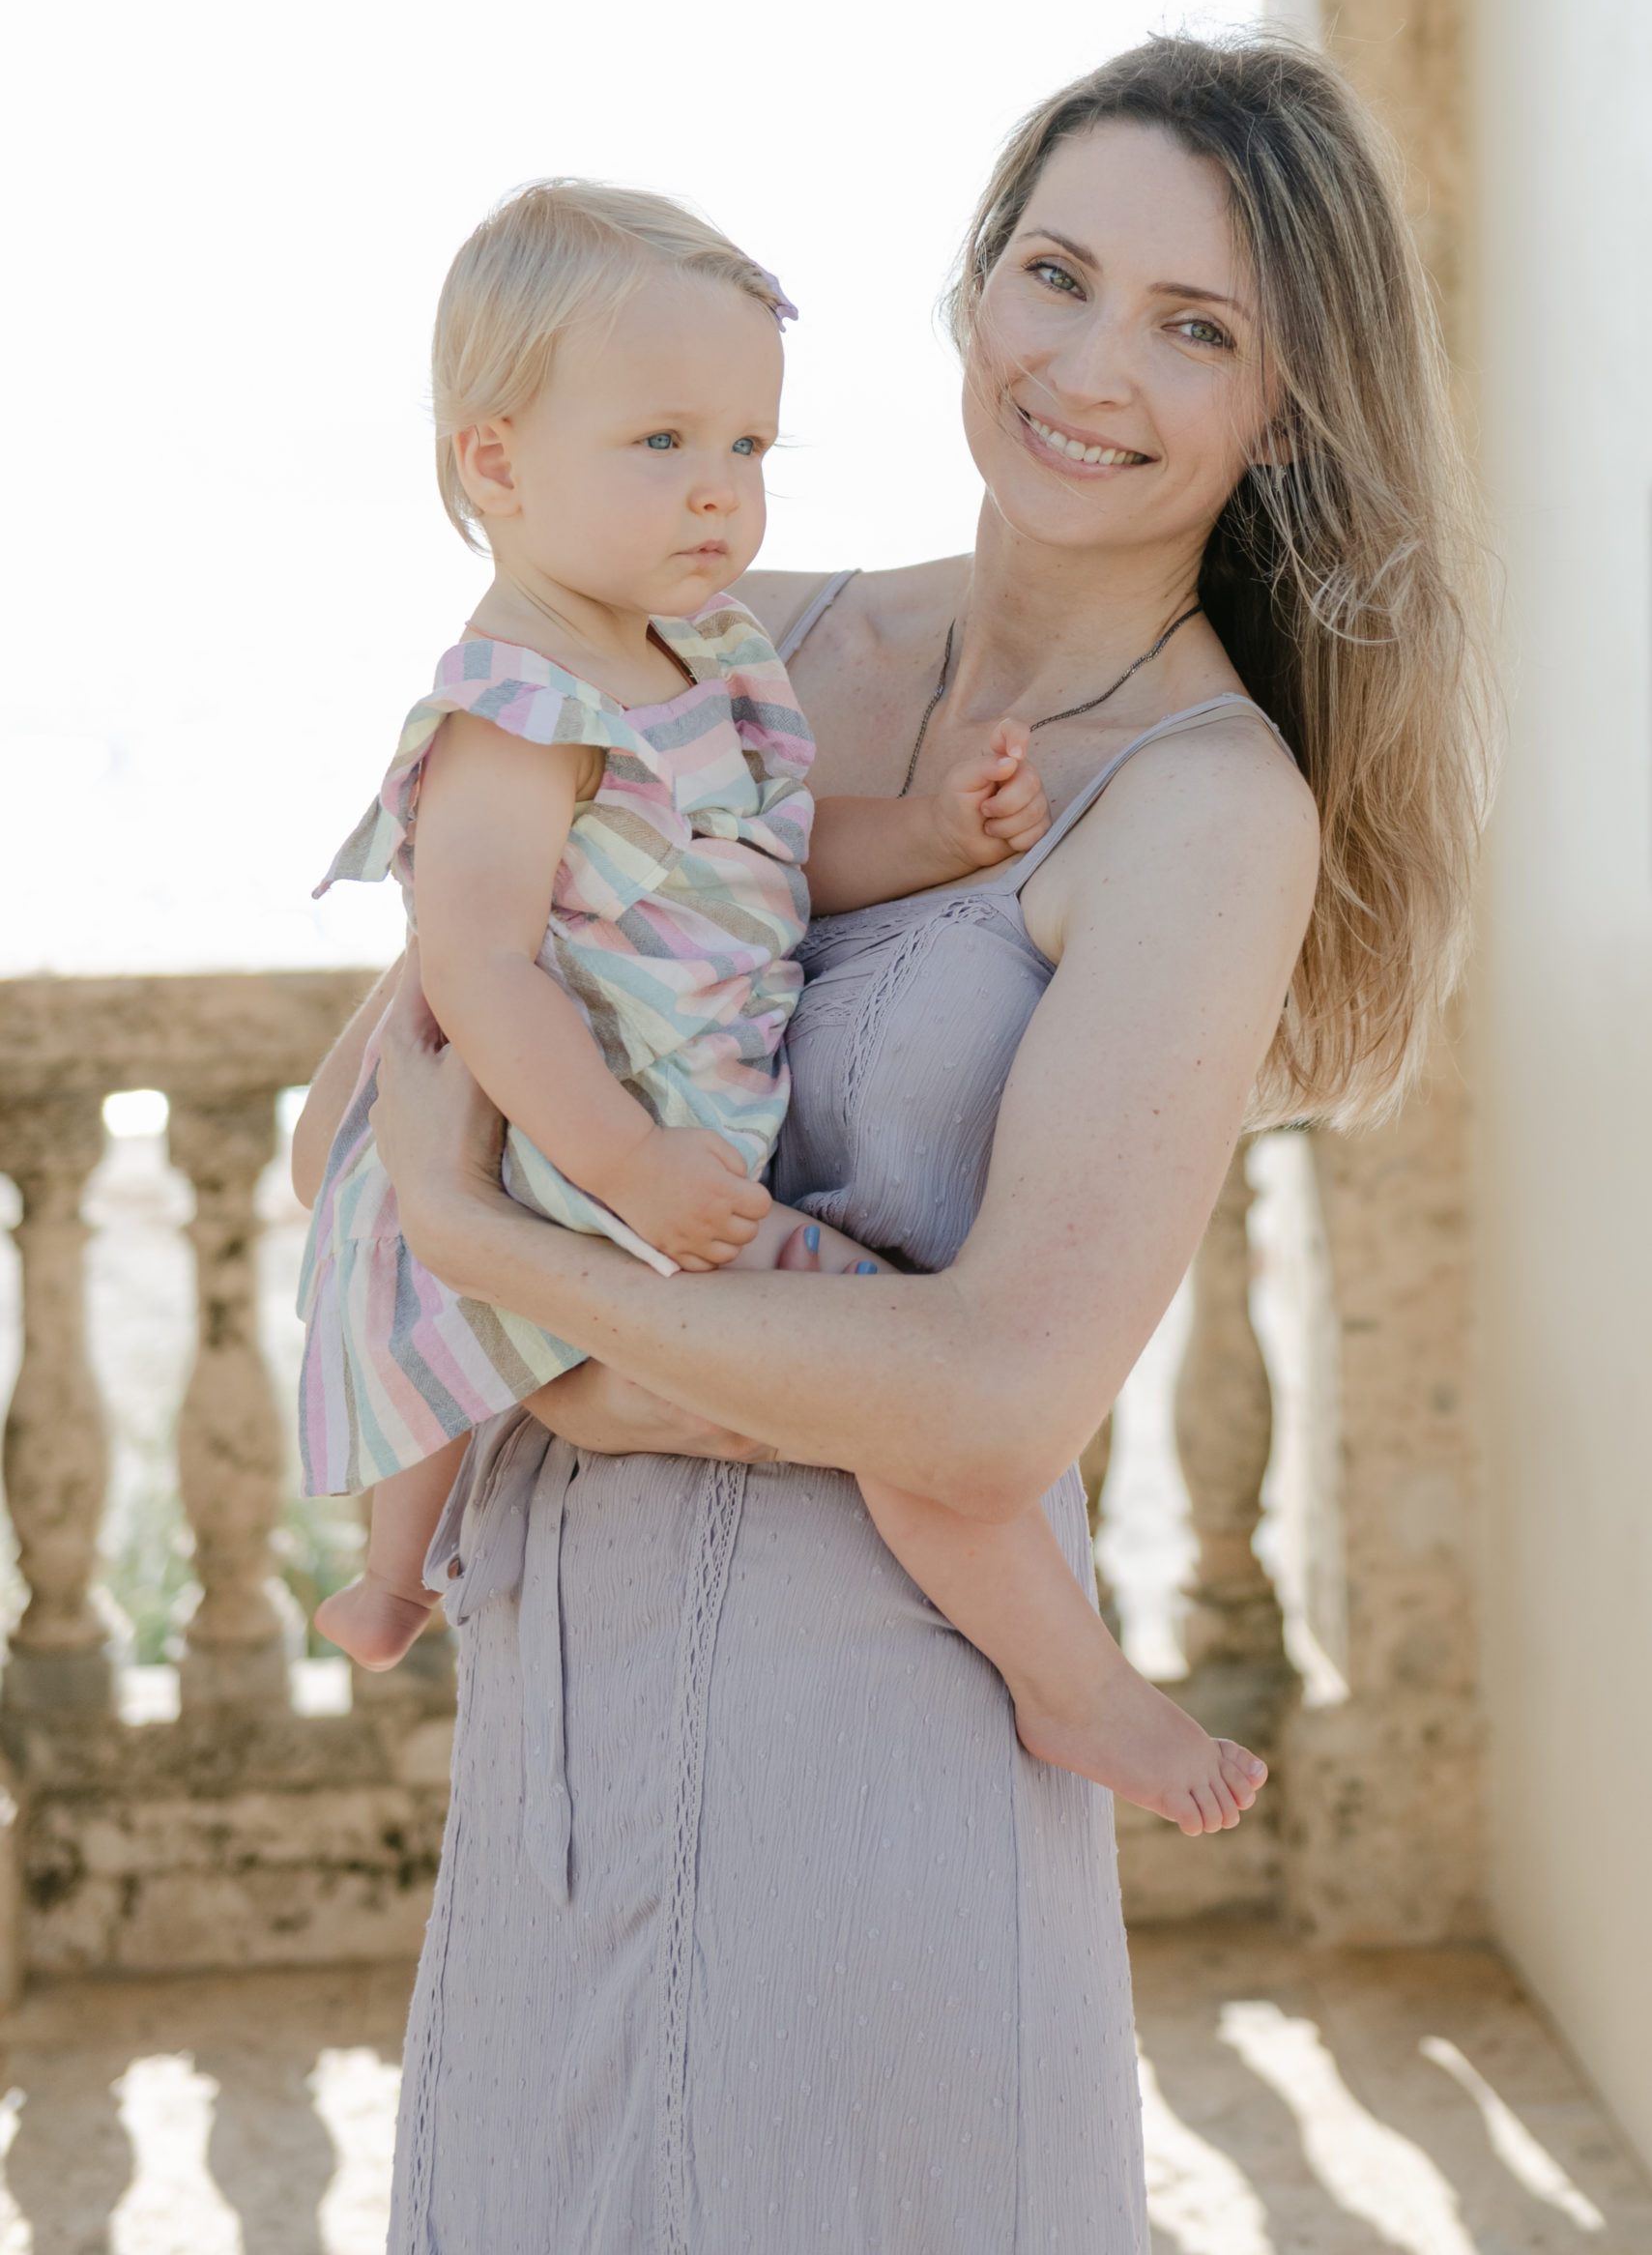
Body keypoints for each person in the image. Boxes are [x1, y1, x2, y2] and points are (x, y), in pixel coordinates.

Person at [294, 34, 1492, 2254]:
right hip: (563, 1739)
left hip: (879, 1780)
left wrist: (499, 1261)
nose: (1090, 363)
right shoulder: (729, 641)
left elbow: (1003, 1393)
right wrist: (524, 1287)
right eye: (1057, 272)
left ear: (1285, 402)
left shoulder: (1204, 811)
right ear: (974, 290)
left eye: (1196, 324)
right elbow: (361, 1112)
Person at [299, 175, 1266, 1837]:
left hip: (803, 1664)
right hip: (608, 1158)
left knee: (920, 1415)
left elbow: (771, 853)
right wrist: (612, 1172)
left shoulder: (715, 660)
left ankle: (1062, 1682)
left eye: (747, 448)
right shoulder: (515, 712)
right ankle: (1069, 1681)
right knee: (847, 1361)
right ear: (496, 461)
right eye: (662, 444)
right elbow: (459, 996)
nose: (717, 495)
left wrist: (927, 838)